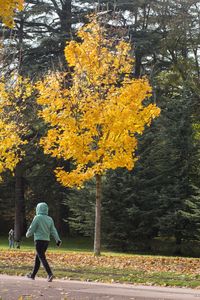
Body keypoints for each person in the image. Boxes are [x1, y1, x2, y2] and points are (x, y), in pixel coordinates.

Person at [26, 202, 61, 282]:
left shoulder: (37, 217)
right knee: (38, 258)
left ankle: (50, 274)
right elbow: (53, 231)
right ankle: (32, 275)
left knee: (41, 257)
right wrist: (57, 240)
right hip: (46, 241)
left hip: (39, 241)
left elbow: (32, 228)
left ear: (38, 209)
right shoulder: (50, 219)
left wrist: (28, 234)